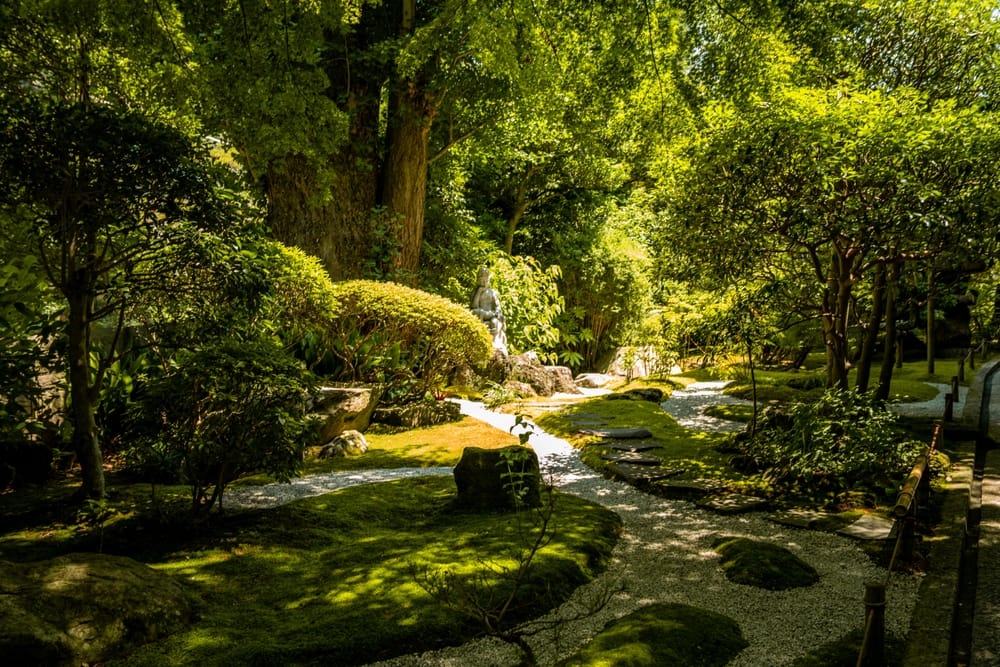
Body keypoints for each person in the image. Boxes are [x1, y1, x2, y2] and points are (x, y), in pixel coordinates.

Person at [470, 266, 507, 354]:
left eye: (485, 280)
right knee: (475, 312)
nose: (483, 283)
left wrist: (497, 312)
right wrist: (479, 292)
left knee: (494, 322)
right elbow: (474, 306)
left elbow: (497, 306)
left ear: (488, 280)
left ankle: (494, 343)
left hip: (491, 315)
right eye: (481, 280)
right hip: (481, 314)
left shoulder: (492, 292)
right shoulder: (475, 292)